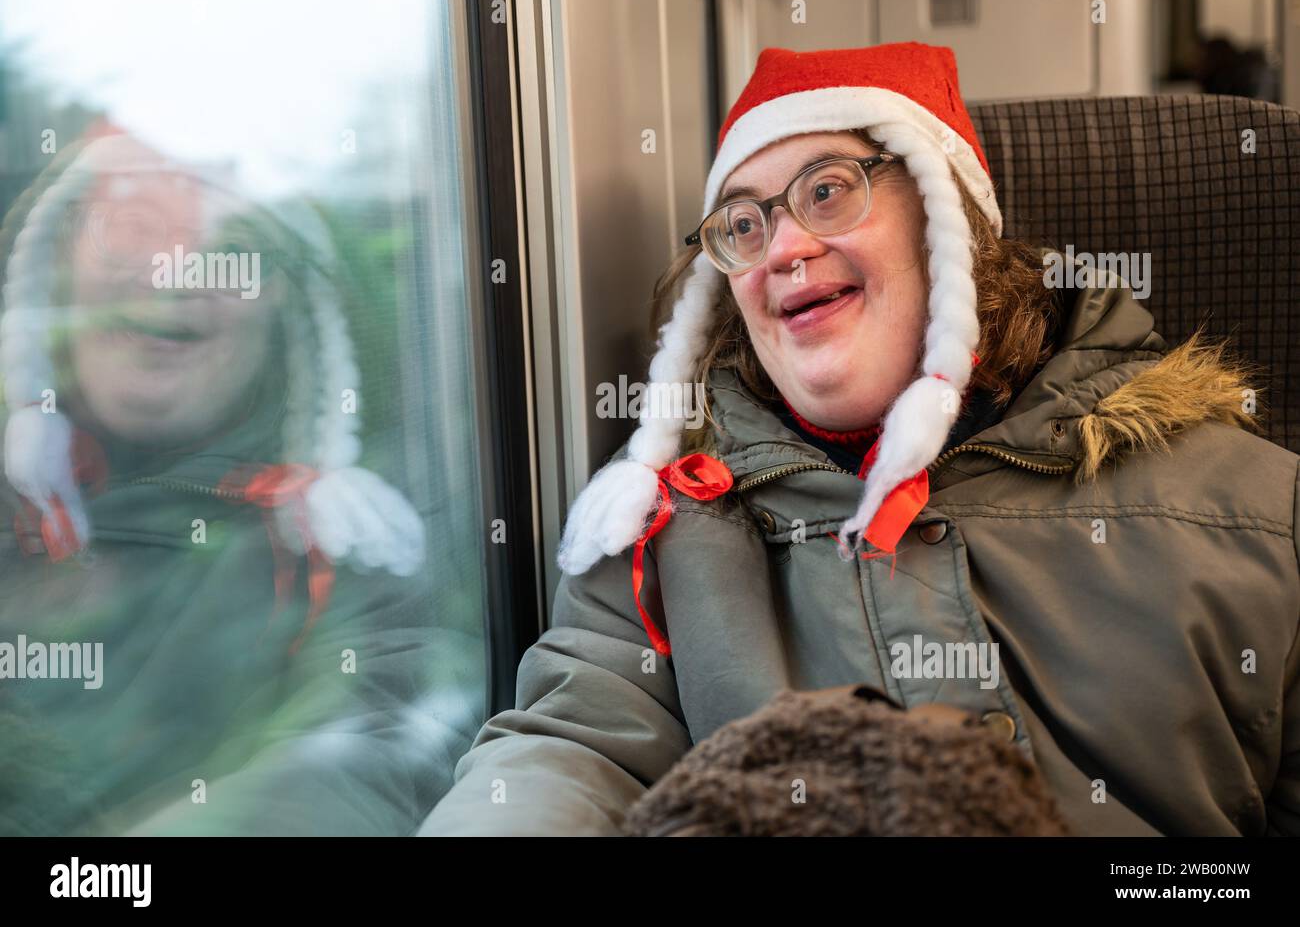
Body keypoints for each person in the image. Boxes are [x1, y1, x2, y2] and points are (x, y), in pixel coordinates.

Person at [420, 43, 1299, 836]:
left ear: (948, 221)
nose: (783, 249)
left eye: (828, 191)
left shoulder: (1257, 508)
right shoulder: (658, 521)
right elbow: (573, 748)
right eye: (744, 224)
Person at [0, 129, 477, 834]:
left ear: (287, 302)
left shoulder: (357, 545)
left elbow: (374, 750)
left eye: (230, 252)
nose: (173, 274)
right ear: (58, 261)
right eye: (130, 228)